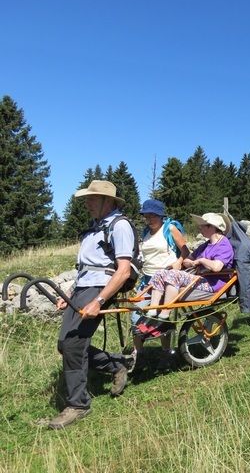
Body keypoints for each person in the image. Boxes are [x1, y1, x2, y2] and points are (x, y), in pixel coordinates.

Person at [48, 180, 136, 430]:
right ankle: (118, 364)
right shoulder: (94, 229)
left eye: (91, 199)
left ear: (107, 201)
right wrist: (69, 291)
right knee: (65, 345)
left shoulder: (120, 226)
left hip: (101, 287)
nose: (86, 203)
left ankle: (79, 405)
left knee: (74, 345)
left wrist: (99, 300)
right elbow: (86, 268)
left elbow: (123, 271)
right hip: (84, 287)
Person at [131, 199, 190, 371]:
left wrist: (179, 262)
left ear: (161, 215)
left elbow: (185, 251)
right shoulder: (145, 232)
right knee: (136, 316)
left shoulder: (170, 228)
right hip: (147, 279)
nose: (149, 219)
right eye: (146, 216)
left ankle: (166, 353)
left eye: (153, 215)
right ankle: (139, 354)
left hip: (166, 279)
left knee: (161, 316)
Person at [146, 213, 235, 320]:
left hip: (213, 284)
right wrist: (193, 263)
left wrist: (201, 260)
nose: (199, 228)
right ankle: (152, 310)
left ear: (212, 227)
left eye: (202, 225)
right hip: (201, 279)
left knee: (174, 275)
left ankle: (164, 313)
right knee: (160, 273)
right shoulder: (206, 245)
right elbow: (187, 260)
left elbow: (217, 267)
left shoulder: (224, 244)